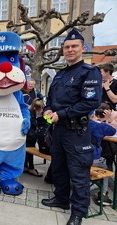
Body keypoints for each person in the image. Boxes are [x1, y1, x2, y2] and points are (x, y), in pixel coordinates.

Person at [41, 28, 102, 225]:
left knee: (78, 173)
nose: (69, 50)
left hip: (77, 132)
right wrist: (48, 111)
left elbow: (90, 103)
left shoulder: (90, 72)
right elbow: (50, 100)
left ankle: (78, 213)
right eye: (66, 47)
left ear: (82, 48)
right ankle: (61, 199)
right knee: (58, 167)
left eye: (74, 46)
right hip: (58, 130)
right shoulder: (59, 75)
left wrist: (61, 114)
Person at [89, 112, 116, 206]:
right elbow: (112, 131)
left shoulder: (74, 124)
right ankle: (103, 194)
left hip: (76, 159)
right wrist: (108, 120)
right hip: (93, 159)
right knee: (105, 167)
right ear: (93, 115)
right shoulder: (97, 126)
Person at [24, 98, 44, 177]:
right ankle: (31, 168)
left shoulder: (30, 111)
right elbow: (37, 124)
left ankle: (25, 166)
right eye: (40, 109)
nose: (41, 111)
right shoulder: (31, 115)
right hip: (30, 136)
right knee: (30, 152)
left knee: (27, 152)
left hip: (28, 136)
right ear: (35, 108)